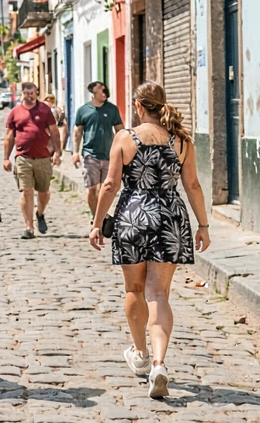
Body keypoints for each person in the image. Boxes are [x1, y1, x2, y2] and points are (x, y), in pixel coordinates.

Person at [89, 81, 211, 399]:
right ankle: (159, 364)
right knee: (159, 294)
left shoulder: (125, 138)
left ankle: (140, 355)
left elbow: (110, 184)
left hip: (132, 217)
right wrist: (203, 225)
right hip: (170, 217)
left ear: (138, 105)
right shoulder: (182, 140)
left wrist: (97, 222)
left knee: (134, 290)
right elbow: (194, 185)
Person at [3, 82, 61, 239]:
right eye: (26, 93)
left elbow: (54, 132)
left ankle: (40, 213)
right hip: (23, 158)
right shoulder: (15, 112)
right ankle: (29, 227)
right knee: (27, 192)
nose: (29, 96)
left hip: (43, 157)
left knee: (44, 192)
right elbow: (9, 137)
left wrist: (57, 153)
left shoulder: (44, 110)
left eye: (32, 93)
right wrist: (6, 158)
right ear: (23, 94)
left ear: (37, 93)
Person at [73, 81, 125, 215]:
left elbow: (120, 130)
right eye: (101, 91)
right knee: (92, 189)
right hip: (90, 154)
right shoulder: (83, 110)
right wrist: (74, 152)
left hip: (109, 155)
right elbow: (77, 132)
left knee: (106, 189)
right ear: (93, 93)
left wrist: (123, 150)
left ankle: (101, 216)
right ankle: (95, 216)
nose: (105, 93)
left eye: (105, 90)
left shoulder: (112, 109)